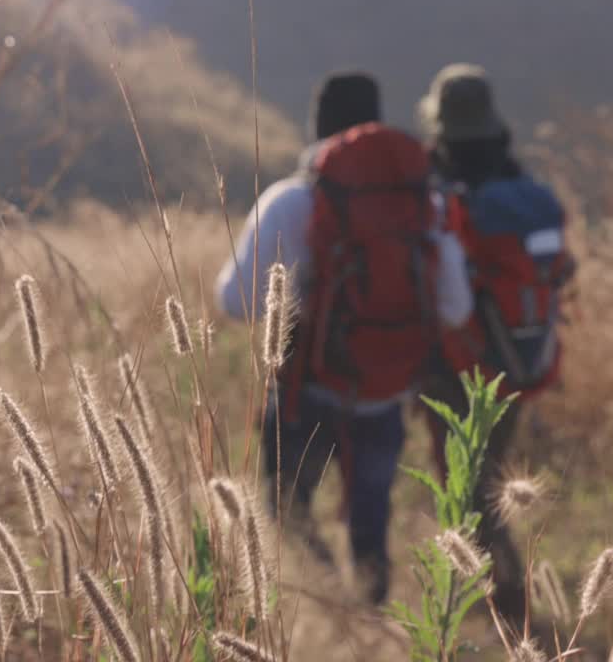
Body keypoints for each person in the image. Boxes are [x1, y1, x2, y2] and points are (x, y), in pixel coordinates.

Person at [215, 70, 474, 604]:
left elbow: (232, 301)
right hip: (385, 394)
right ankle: (371, 619)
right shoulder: (424, 203)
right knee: (370, 514)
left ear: (318, 126)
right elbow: (455, 308)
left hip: (305, 391)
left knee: (287, 508)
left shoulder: (294, 200)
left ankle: (327, 602)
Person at [415, 63, 576, 624]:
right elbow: (561, 269)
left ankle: (500, 602)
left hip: (458, 361)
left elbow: (440, 287)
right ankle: (497, 590)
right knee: (488, 473)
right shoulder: (526, 191)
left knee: (465, 482)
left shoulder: (444, 194)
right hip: (520, 359)